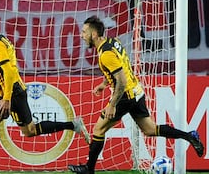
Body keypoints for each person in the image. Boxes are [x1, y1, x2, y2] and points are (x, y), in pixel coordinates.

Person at [68, 16, 205, 174]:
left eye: (84, 32)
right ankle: (189, 136)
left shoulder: (106, 54)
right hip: (137, 91)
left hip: (125, 95)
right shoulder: (113, 42)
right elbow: (121, 67)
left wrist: (112, 104)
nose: (81, 35)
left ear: (93, 34)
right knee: (150, 129)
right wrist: (104, 84)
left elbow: (121, 81)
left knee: (98, 130)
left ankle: (88, 169)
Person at [0, 13, 90, 174]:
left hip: (12, 91)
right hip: (8, 89)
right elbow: (0, 69)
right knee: (18, 129)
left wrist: (6, 98)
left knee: (1, 128)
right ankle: (73, 125)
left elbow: (10, 72)